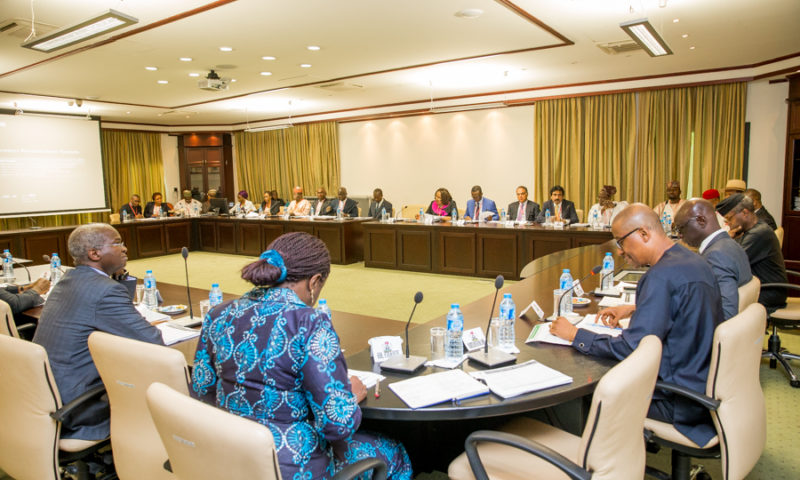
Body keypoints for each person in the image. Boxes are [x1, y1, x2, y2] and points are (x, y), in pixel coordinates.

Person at [191, 232, 413, 479]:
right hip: (292, 465)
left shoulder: (219, 314)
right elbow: (338, 426)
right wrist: (350, 398)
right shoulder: (308, 323)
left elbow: (202, 391)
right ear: (314, 282)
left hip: (227, 455)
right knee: (394, 452)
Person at [550, 204, 722, 447]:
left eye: (620, 242)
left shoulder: (660, 277)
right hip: (701, 387)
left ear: (643, 234)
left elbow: (632, 349)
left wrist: (576, 334)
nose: (619, 252)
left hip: (676, 401)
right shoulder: (692, 261)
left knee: (584, 392)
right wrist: (635, 309)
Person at [33, 224, 163, 441]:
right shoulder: (104, 291)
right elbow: (152, 340)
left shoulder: (69, 279)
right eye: (117, 242)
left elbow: (107, 310)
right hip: (79, 406)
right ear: (94, 253)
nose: (124, 248)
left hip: (47, 393)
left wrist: (118, 277)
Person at [674, 199, 752, 320]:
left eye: (681, 228)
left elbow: (726, 314)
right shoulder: (730, 244)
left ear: (701, 221)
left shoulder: (716, 255)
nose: (680, 235)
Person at [717, 194, 787, 312]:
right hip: (759, 286)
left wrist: (727, 239)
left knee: (717, 302)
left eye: (730, 218)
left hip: (769, 292)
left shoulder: (759, 233)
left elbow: (730, 262)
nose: (728, 224)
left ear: (745, 213)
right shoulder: (749, 230)